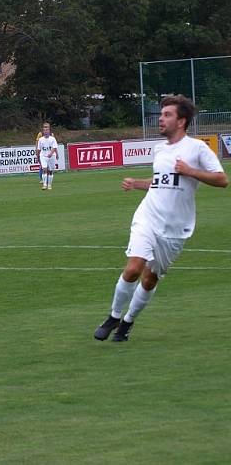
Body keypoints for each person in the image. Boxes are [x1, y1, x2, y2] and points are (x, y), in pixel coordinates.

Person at [93, 95, 227, 343]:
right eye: (161, 114)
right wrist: (137, 184)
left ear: (182, 121)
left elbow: (222, 180)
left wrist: (190, 171)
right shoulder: (159, 149)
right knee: (134, 267)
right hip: (148, 216)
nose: (161, 119)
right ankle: (113, 316)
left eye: (167, 115)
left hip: (176, 228)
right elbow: (160, 184)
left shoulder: (197, 148)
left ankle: (128, 322)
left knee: (150, 277)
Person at [36, 122, 58, 190]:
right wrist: (37, 156)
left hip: (51, 156)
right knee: (44, 169)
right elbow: (38, 148)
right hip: (43, 156)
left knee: (50, 171)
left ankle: (49, 185)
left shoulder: (52, 138)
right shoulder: (40, 139)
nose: (45, 131)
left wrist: (53, 154)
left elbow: (54, 147)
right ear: (43, 131)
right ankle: (44, 184)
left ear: (49, 130)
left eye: (47, 129)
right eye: (44, 129)